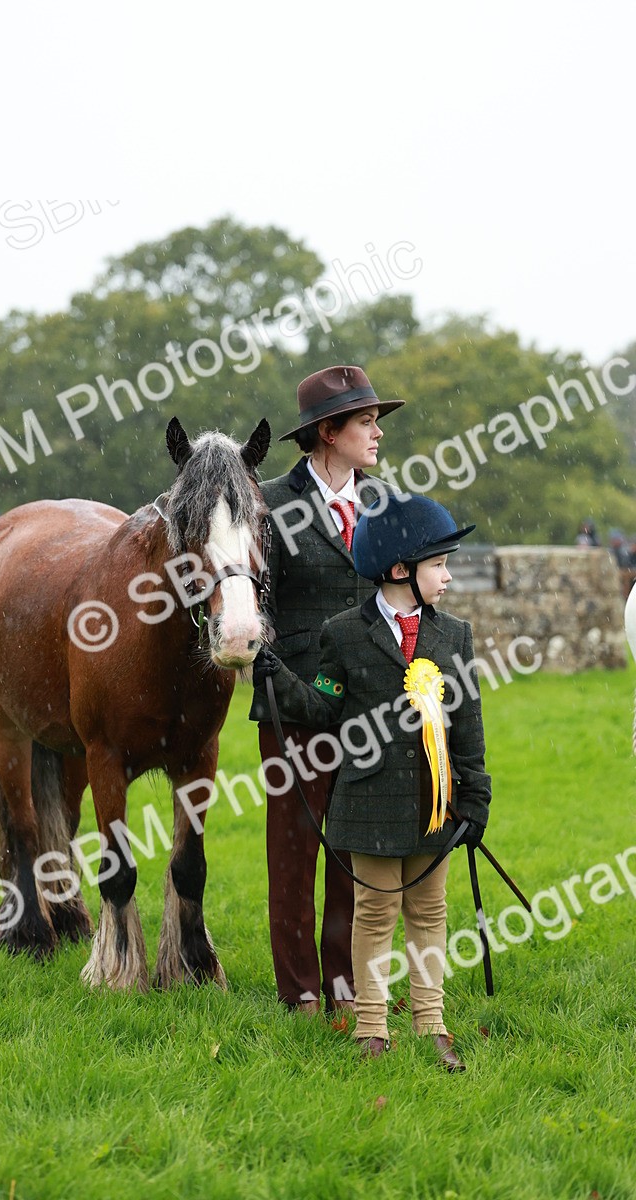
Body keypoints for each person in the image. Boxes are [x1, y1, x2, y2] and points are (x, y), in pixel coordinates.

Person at [253, 494, 491, 1071]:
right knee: (374, 913)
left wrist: (475, 794)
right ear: (401, 569)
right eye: (440, 564)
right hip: (366, 805)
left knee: (430, 915)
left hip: (434, 807)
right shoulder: (343, 635)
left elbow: (467, 723)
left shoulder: (454, 635)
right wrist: (275, 678)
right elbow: (323, 705)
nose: (449, 575)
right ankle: (371, 1027)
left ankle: (432, 1023)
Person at [249, 364, 405, 1015]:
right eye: (365, 422)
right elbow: (257, 614)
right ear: (328, 431)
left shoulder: (384, 503)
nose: (376, 434)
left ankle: (345, 985)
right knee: (293, 853)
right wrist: (293, 688)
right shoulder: (270, 503)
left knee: (353, 852)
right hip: (293, 708)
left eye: (374, 421)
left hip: (367, 710)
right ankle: (301, 993)